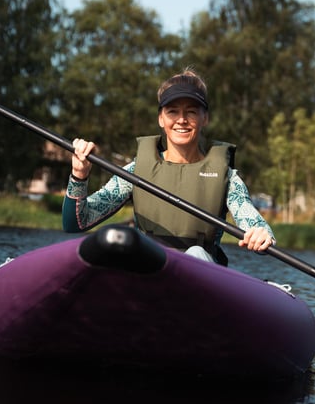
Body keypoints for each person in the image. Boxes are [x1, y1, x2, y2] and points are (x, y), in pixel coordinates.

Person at [62, 68, 275, 265]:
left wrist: (262, 235)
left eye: (191, 111)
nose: (181, 119)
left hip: (202, 276)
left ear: (205, 118)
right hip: (149, 270)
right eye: (173, 111)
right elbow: (76, 222)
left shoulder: (227, 179)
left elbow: (253, 222)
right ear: (161, 119)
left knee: (196, 254)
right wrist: (79, 176)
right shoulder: (136, 172)